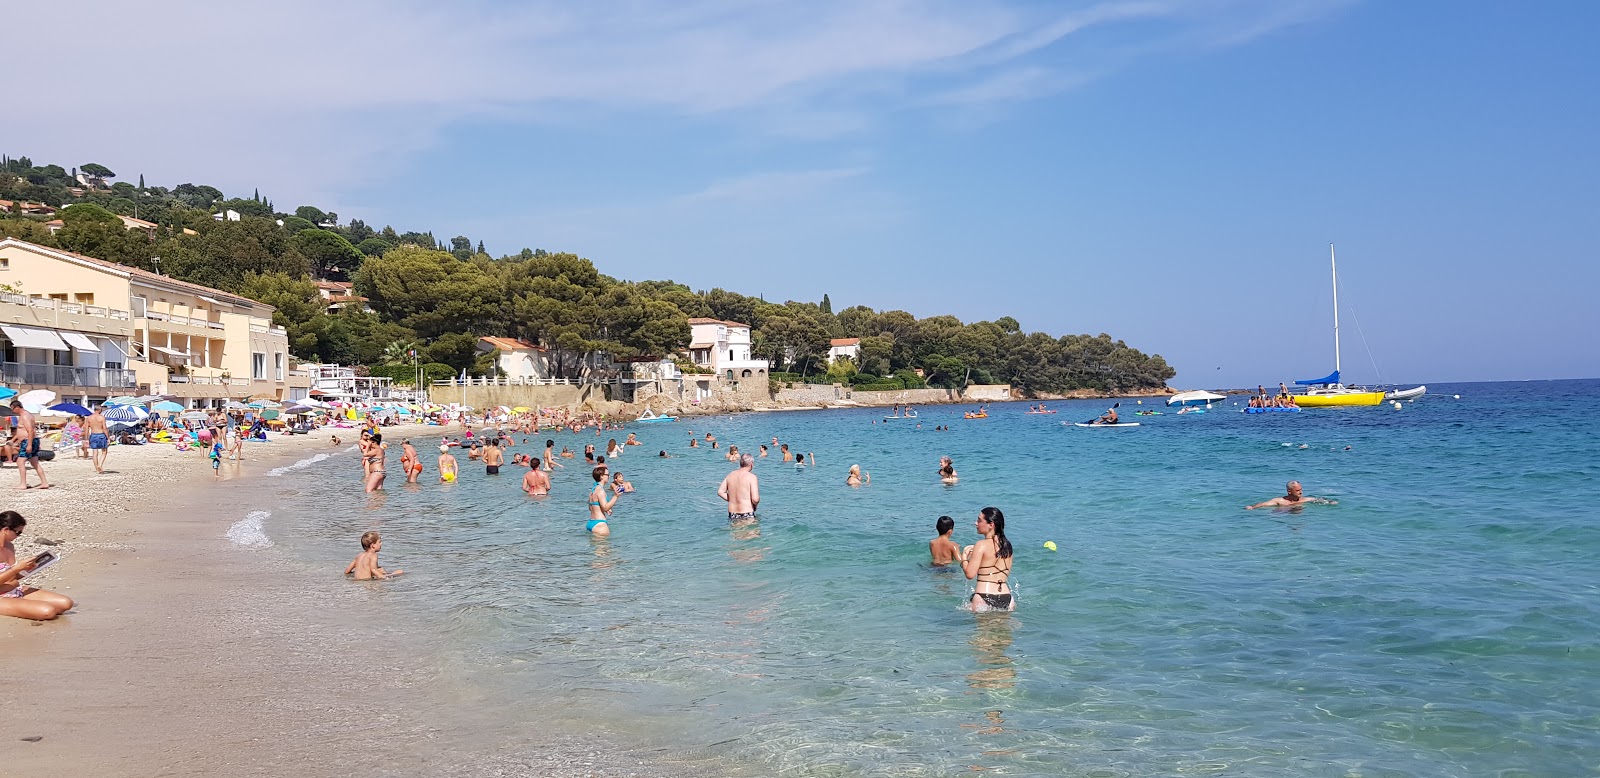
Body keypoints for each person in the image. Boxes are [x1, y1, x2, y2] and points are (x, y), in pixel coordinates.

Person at [0, 511, 75, 620]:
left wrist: (27, 569)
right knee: (48, 611)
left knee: (66, 603)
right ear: (6, 530)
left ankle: (22, 605)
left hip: (14, 588)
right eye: (17, 532)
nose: (19, 536)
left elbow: (12, 576)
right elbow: (12, 571)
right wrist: (17, 568)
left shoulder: (10, 547)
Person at [962, 507, 1015, 612]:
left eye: (979, 520)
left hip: (983, 596)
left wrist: (964, 556)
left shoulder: (981, 545)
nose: (976, 523)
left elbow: (970, 574)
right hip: (1007, 597)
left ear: (991, 525)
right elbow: (1004, 573)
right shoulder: (1007, 545)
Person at [9, 400, 49, 490]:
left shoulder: (25, 416)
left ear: (17, 407)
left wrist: (29, 445)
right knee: (34, 462)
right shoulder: (26, 415)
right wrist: (13, 440)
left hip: (28, 441)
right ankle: (44, 482)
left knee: (20, 462)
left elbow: (30, 430)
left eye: (12, 409)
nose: (12, 411)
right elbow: (21, 430)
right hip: (30, 440)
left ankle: (23, 484)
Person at [718, 453, 760, 525]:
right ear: (751, 464)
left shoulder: (730, 475)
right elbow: (755, 499)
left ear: (741, 463)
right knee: (751, 535)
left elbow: (720, 492)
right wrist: (755, 506)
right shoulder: (752, 477)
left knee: (737, 535)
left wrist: (733, 499)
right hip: (747, 512)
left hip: (733, 513)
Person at [1245, 480, 1337, 509]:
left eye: (1301, 489)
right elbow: (1263, 504)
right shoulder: (1280, 501)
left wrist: (1331, 502)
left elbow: (1319, 500)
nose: (1301, 492)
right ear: (1289, 491)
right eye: (1297, 490)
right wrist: (1252, 507)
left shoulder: (1305, 499)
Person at [586, 466, 617, 536]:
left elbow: (590, 508)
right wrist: (616, 496)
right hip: (600, 524)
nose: (609, 476)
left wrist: (606, 510)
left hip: (591, 522)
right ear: (601, 476)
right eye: (607, 475)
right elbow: (605, 507)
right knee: (605, 546)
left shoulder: (593, 490)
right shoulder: (600, 490)